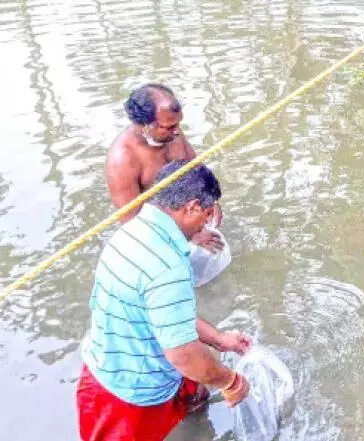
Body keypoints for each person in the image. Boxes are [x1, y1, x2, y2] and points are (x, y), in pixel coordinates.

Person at [77, 160, 251, 441]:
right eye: (205, 215)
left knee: (198, 396)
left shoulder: (132, 231)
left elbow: (165, 314)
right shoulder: (167, 266)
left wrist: (217, 338)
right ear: (191, 207)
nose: (205, 225)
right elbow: (183, 354)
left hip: (134, 360)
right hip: (128, 395)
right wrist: (231, 382)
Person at [105, 84, 227, 284]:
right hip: (160, 237)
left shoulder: (172, 132)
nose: (177, 132)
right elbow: (131, 222)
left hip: (191, 217)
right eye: (169, 127)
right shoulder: (122, 159)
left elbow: (195, 170)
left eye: (178, 124)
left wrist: (211, 203)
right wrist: (189, 236)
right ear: (145, 125)